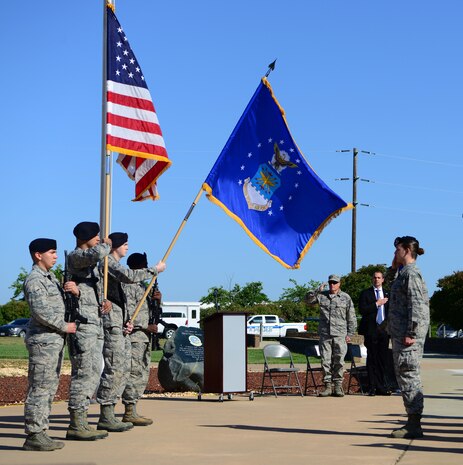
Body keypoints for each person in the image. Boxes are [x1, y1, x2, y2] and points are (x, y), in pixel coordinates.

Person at [96, 233, 166, 432]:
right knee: (117, 370)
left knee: (129, 371)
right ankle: (109, 414)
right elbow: (129, 276)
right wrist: (154, 270)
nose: (127, 247)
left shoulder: (121, 272)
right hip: (120, 329)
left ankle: (124, 411)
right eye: (124, 244)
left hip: (124, 327)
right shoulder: (109, 264)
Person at [23, 238, 78, 451]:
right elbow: (41, 311)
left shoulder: (50, 278)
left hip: (52, 342)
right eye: (51, 252)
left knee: (48, 388)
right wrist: (65, 326)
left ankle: (41, 431)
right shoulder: (35, 280)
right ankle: (34, 434)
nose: (55, 256)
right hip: (43, 342)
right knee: (40, 388)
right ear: (38, 255)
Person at [66, 221, 112, 441]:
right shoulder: (76, 257)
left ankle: (83, 419)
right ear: (86, 237)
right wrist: (107, 244)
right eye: (95, 235)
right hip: (82, 323)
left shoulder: (93, 262)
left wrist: (104, 302)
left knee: (94, 371)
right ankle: (76, 422)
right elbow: (95, 253)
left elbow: (92, 288)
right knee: (84, 371)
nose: (99, 239)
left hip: (95, 321)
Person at [388, 236, 429, 439]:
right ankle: (412, 420)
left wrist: (411, 333)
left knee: (409, 376)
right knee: (405, 377)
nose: (394, 254)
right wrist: (393, 267)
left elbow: (417, 305)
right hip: (400, 335)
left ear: (405, 250)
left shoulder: (411, 274)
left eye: (397, 250)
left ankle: (414, 424)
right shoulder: (402, 273)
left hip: (408, 338)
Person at [121, 252, 162, 426]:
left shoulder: (142, 286)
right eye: (144, 265)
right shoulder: (129, 286)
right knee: (134, 373)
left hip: (143, 338)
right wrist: (146, 326)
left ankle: (133, 408)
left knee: (142, 372)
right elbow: (130, 314)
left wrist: (157, 301)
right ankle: (129, 410)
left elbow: (149, 310)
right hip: (135, 336)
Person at [306, 274, 357, 397]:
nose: (332, 285)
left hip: (340, 334)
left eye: (334, 283)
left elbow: (351, 316)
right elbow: (308, 300)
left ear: (339, 284)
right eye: (330, 283)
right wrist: (317, 290)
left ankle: (338, 386)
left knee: (339, 360)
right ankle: (328, 386)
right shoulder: (322, 296)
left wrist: (350, 333)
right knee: (326, 361)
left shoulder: (345, 297)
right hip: (325, 334)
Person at [358, 270, 392, 396]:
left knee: (382, 359)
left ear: (383, 279)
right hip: (371, 330)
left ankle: (381, 386)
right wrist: (377, 304)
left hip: (384, 330)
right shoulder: (366, 293)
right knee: (372, 359)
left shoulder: (388, 293)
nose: (376, 280)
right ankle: (372, 387)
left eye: (379, 278)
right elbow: (362, 310)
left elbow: (392, 311)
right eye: (375, 278)